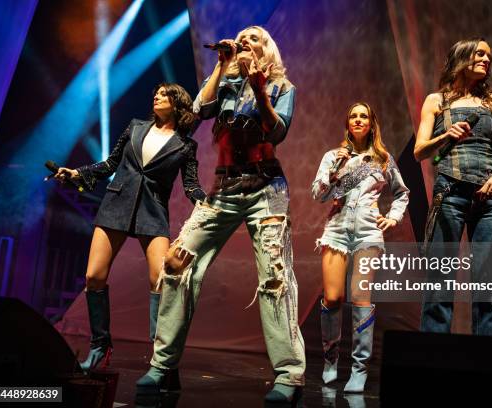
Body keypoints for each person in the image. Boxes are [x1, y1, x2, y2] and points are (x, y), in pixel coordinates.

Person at [136, 26, 304, 403]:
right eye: (241, 37)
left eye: (255, 38)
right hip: (224, 189)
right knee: (177, 263)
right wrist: (222, 65)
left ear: (267, 50)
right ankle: (162, 365)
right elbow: (197, 111)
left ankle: (289, 376)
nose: (246, 40)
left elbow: (275, 132)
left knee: (275, 278)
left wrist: (259, 87)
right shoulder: (226, 82)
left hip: (266, 188)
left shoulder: (282, 87)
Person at [55, 83, 205, 372]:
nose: (156, 96)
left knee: (160, 279)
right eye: (156, 92)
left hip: (152, 211)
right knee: (93, 276)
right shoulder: (136, 127)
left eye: (164, 94)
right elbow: (110, 163)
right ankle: (100, 345)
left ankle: (160, 353)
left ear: (177, 103)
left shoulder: (186, 145)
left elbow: (191, 185)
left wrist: (206, 202)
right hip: (116, 205)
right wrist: (77, 174)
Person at [413, 38, 492, 335]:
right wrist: (445, 135)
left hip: (488, 199)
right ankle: (432, 360)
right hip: (449, 193)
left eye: (489, 55)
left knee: (487, 283)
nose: (486, 60)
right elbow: (420, 151)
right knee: (440, 281)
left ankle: (483, 362)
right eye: (480, 53)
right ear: (462, 57)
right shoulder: (436, 101)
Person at [312, 102, 409, 393]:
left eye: (363, 116)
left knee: (361, 298)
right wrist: (334, 173)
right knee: (332, 298)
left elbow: (402, 193)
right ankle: (331, 362)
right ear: (347, 123)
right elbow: (318, 194)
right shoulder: (333, 156)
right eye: (353, 116)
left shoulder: (382, 159)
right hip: (337, 230)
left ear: (371, 123)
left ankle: (359, 369)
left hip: (367, 231)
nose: (357, 120)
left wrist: (392, 217)